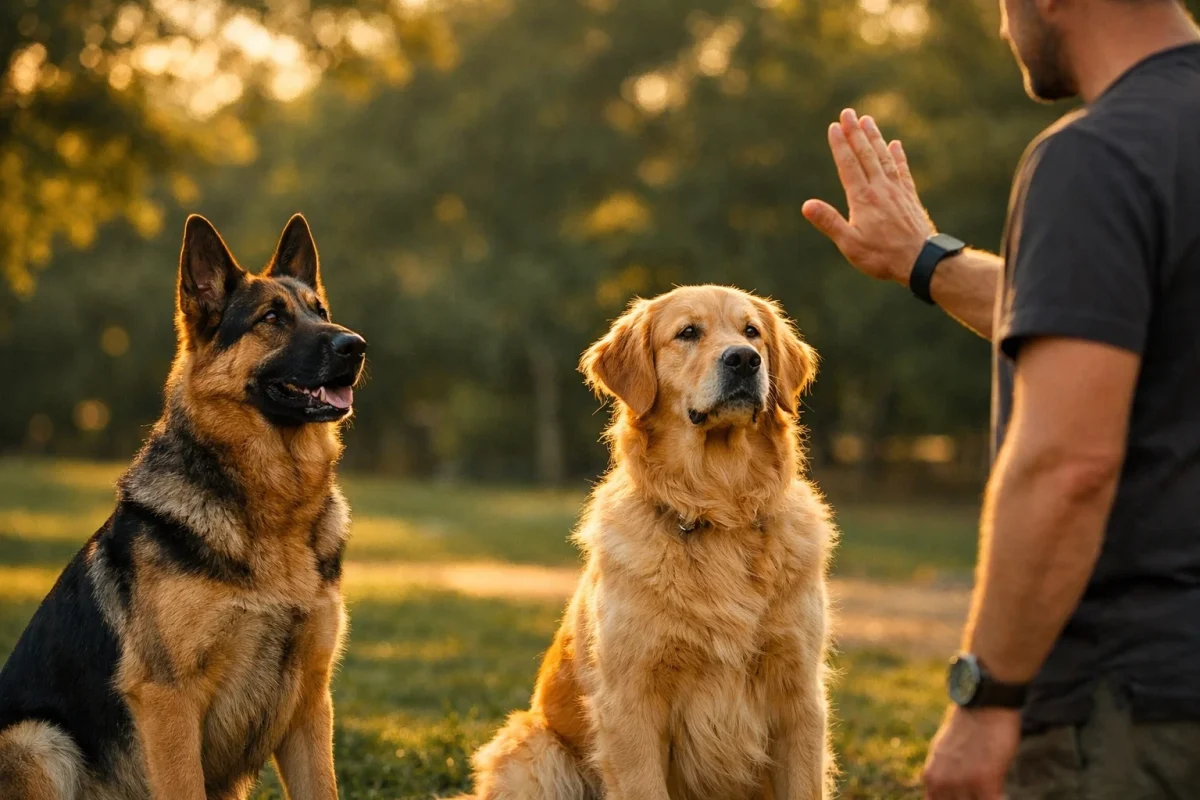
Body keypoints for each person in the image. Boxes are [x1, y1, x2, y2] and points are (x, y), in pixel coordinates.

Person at [802, 0, 1200, 797]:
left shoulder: (1097, 157)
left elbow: (1067, 465)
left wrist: (987, 699)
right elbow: (1118, 321)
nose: (999, 22)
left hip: (1136, 715)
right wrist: (925, 260)